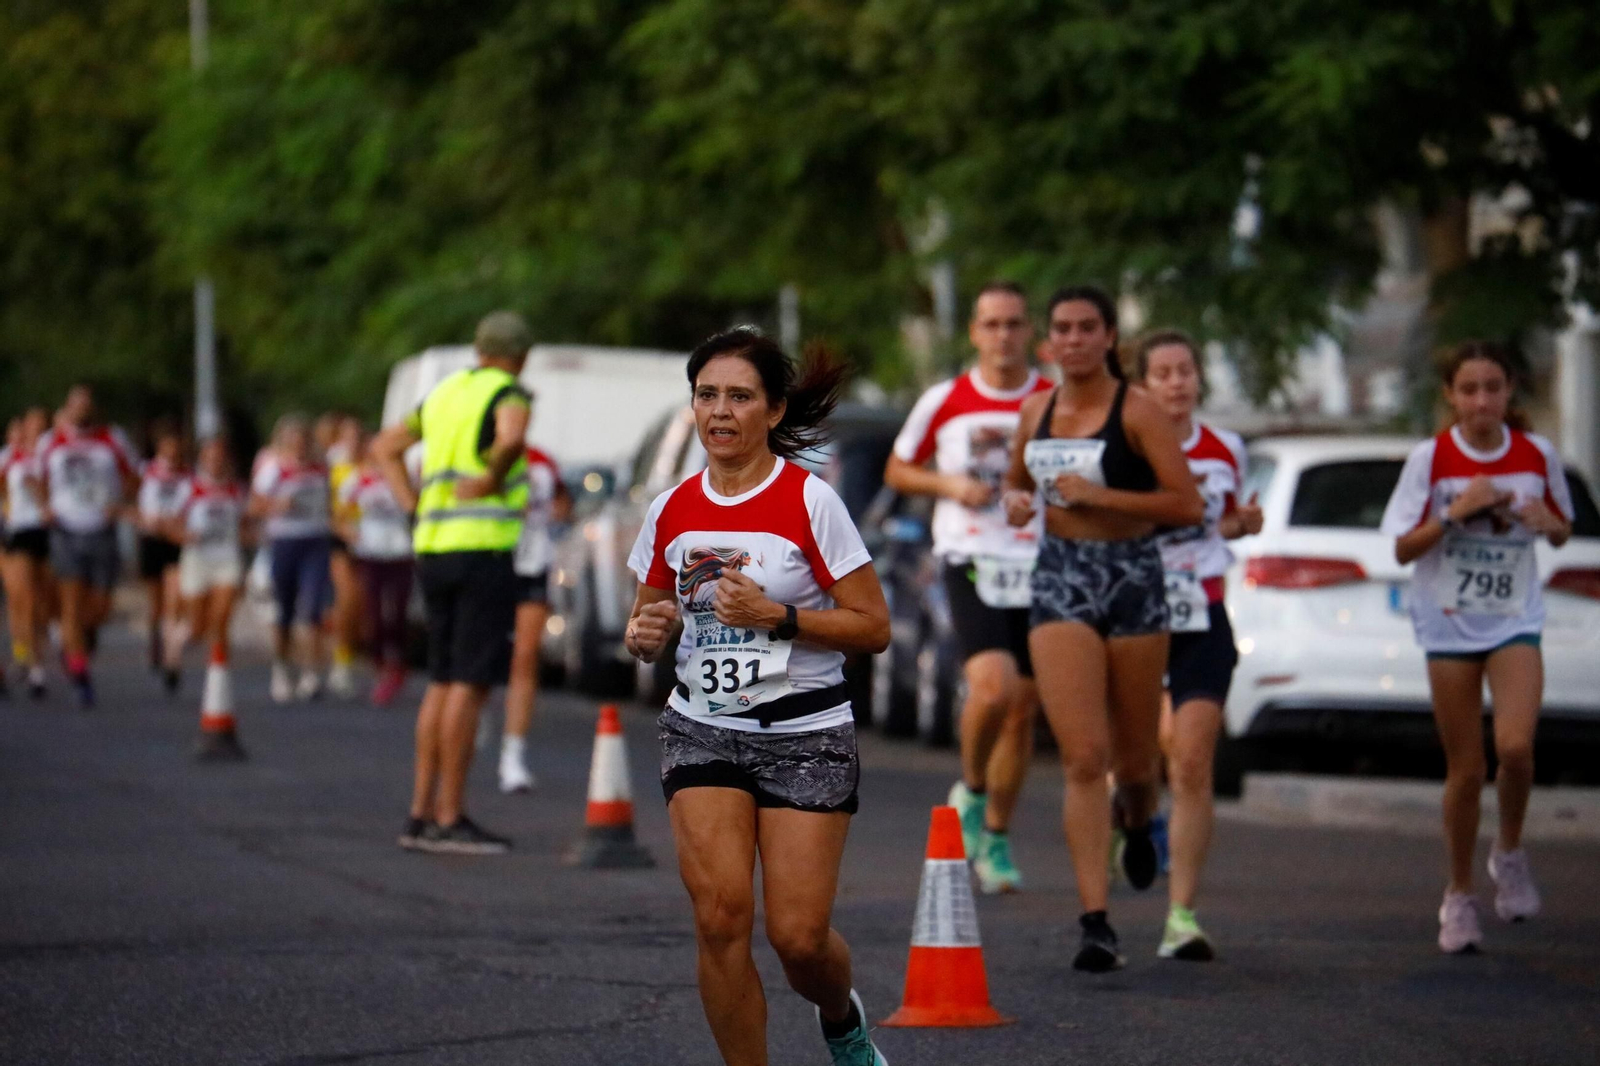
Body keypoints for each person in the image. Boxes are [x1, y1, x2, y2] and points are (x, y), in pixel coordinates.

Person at [624, 328, 891, 1066]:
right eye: (707, 395)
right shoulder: (672, 508)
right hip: (702, 728)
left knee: (798, 938)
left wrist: (780, 616)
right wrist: (647, 634)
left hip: (806, 733)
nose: (720, 410)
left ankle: (841, 1017)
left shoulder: (812, 503)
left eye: (739, 396)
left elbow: (874, 627)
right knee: (719, 917)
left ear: (773, 411)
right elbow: (650, 617)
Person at [1000, 286, 1203, 972]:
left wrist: (1103, 496)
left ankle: (1140, 818)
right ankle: (1095, 921)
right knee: (1085, 756)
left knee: (1137, 761)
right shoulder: (1036, 411)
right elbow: (1013, 484)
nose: (1075, 340)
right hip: (1061, 576)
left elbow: (1186, 504)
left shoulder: (1139, 411)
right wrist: (1020, 501)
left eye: (1089, 328)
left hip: (1134, 577)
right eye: (1063, 329)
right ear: (1049, 342)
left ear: (1110, 336)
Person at [1379, 341, 1574, 955]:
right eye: (1469, 390)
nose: (1481, 401)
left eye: (1492, 387)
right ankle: (1458, 895)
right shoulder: (1429, 459)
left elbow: (1564, 530)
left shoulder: (1537, 454)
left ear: (1510, 390)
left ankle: (1509, 851)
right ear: (1450, 396)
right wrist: (1455, 514)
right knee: (1465, 771)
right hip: (1447, 622)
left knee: (1515, 747)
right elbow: (1401, 548)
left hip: (1514, 616)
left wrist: (1548, 523)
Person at [883, 281, 1052, 893]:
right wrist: (953, 487)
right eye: (991, 324)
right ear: (975, 333)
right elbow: (898, 467)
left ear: (1028, 330)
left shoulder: (1052, 399)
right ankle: (972, 790)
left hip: (1040, 562)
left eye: (1013, 323)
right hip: (972, 556)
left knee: (1023, 710)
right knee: (992, 685)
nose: (1003, 336)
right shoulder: (946, 400)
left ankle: (997, 840)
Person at [373, 310, 533, 855]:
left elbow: (384, 447)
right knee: (470, 682)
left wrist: (410, 503)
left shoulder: (442, 395)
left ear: (477, 348)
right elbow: (511, 436)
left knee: (441, 680)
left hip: (433, 549)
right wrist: (491, 476)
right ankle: (450, 815)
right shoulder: (509, 390)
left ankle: (419, 812)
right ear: (521, 355)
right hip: (481, 549)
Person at [1136, 329, 1262, 961]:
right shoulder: (1128, 448)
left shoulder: (1225, 448)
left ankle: (1181, 914)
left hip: (1203, 614)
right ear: (1143, 385)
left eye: (1186, 370)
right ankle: (1131, 813)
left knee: (1190, 761)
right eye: (1164, 373)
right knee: (1144, 756)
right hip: (1137, 617)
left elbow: (1229, 519)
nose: (1178, 382)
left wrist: (1245, 523)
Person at [39, 385, 140, 707]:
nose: (81, 410)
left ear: (94, 409)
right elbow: (36, 479)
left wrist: (121, 501)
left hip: (102, 529)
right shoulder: (51, 442)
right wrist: (46, 506)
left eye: (86, 404)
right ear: (67, 408)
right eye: (75, 405)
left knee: (99, 607)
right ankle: (81, 676)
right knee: (70, 605)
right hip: (66, 530)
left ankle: (78, 645)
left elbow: (135, 478)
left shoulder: (113, 440)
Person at [497, 441, 572, 793]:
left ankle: (513, 756)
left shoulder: (542, 461)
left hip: (532, 564)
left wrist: (557, 515)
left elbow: (561, 502)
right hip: (491, 563)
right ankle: (475, 713)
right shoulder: (482, 456)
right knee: (484, 657)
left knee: (525, 657)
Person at [251, 414, 334, 703]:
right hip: (285, 541)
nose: (300, 447)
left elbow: (332, 500)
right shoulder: (274, 468)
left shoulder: (321, 467)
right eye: (294, 441)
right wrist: (277, 504)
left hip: (315, 540)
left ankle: (312, 674)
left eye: (304, 441)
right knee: (284, 611)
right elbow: (255, 503)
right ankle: (282, 669)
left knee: (312, 609)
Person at [337, 441, 416, 707]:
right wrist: (348, 531)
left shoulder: (405, 478)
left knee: (398, 612)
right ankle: (381, 666)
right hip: (371, 552)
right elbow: (339, 512)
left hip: (402, 552)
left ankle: (398, 663)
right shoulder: (359, 479)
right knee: (374, 613)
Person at [166, 436, 249, 674]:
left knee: (221, 617)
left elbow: (245, 523)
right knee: (198, 625)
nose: (216, 462)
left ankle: (218, 672)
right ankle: (176, 645)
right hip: (197, 559)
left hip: (227, 558)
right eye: (211, 458)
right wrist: (184, 535)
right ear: (203, 459)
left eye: (220, 458)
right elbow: (171, 524)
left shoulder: (236, 489)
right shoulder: (190, 488)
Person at [137, 423, 191, 692]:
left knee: (174, 600)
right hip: (151, 540)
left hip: (176, 542)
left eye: (176, 447)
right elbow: (134, 502)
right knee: (156, 603)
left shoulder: (188, 476)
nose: (172, 451)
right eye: (167, 446)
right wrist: (147, 521)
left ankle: (172, 657)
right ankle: (154, 639)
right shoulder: (146, 471)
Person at [2, 408, 52, 698]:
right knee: (22, 598)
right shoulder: (8, 459)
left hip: (46, 533)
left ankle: (33, 650)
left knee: (42, 603)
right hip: (17, 533)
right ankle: (31, 663)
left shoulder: (46, 456)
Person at [326, 414, 367, 698]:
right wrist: (341, 528)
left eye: (357, 436)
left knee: (363, 605)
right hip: (341, 539)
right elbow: (324, 507)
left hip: (371, 540)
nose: (353, 442)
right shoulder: (334, 468)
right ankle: (341, 663)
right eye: (347, 436)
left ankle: (350, 654)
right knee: (347, 599)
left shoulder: (371, 465)